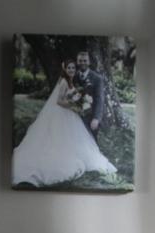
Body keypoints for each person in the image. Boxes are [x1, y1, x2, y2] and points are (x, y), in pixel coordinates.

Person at [11, 59, 116, 188]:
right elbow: (59, 101)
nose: (71, 70)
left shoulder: (70, 81)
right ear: (65, 69)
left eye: (73, 68)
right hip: (62, 113)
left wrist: (77, 101)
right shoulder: (64, 82)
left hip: (69, 113)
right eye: (69, 68)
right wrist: (73, 104)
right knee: (61, 136)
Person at [74, 50, 107, 135]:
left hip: (90, 117)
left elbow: (99, 99)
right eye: (80, 61)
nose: (82, 63)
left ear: (89, 62)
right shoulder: (74, 77)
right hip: (76, 117)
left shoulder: (97, 78)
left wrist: (96, 118)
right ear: (77, 62)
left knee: (91, 142)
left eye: (85, 61)